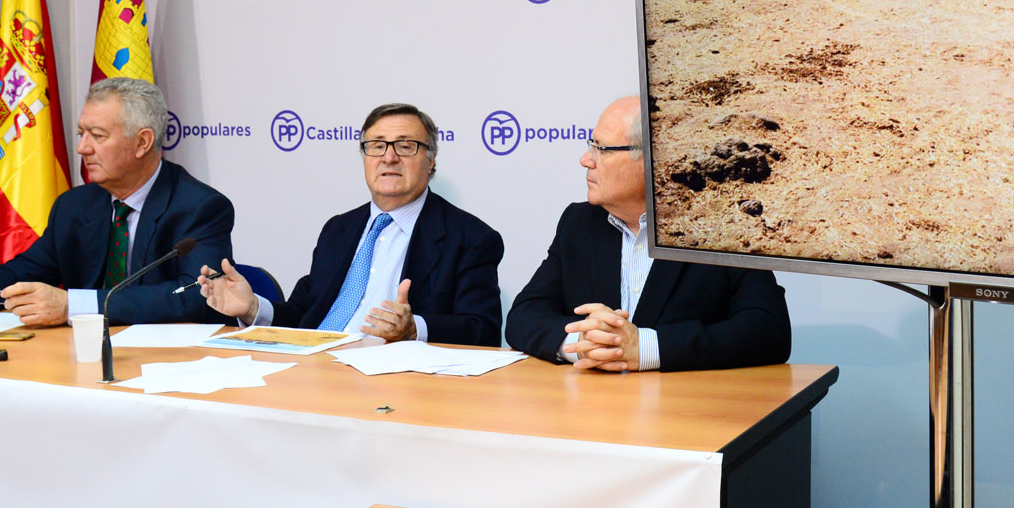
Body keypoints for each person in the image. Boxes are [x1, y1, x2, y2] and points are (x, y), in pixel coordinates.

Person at [506, 95, 790, 372]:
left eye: (600, 149)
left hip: (684, 411)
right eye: (590, 146)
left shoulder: (720, 226)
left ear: (652, 158)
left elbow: (769, 330)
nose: (585, 160)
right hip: (593, 409)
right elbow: (523, 316)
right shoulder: (579, 223)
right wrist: (582, 342)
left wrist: (645, 348)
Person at [0, 77, 234, 326]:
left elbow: (195, 294)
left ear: (143, 142)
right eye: (80, 133)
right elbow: (31, 267)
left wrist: (73, 306)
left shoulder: (200, 207)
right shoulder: (75, 206)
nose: (81, 148)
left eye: (97, 136)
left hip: (169, 364)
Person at [199, 103, 503, 346]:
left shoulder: (470, 237)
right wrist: (252, 307)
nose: (389, 158)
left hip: (394, 383)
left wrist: (414, 329)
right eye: (377, 146)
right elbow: (306, 314)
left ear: (431, 160)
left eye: (406, 146)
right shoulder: (339, 229)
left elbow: (483, 329)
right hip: (315, 369)